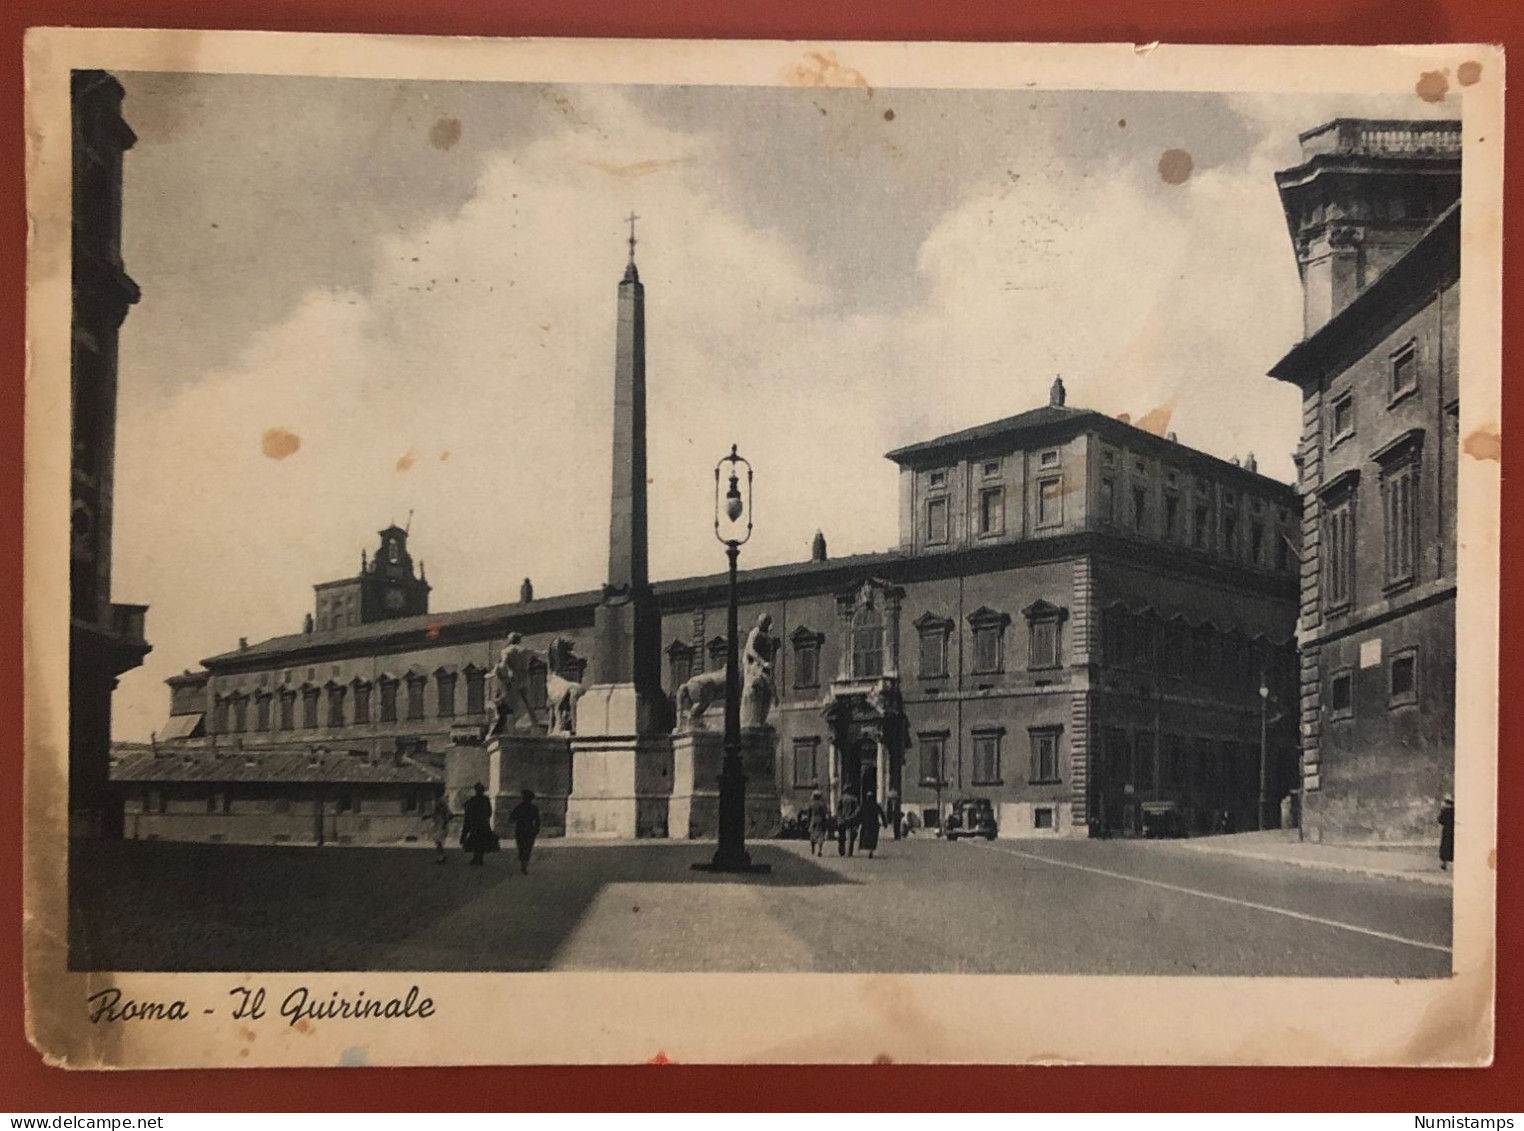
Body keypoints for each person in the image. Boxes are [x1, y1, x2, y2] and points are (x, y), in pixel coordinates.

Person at [460, 782, 496, 866]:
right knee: (481, 841)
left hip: (475, 824)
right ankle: (479, 858)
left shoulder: (473, 800)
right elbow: (489, 812)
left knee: (476, 840)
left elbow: (468, 811)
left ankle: (477, 858)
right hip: (483, 823)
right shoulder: (485, 800)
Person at [508, 789, 542, 875]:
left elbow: (512, 818)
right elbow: (537, 820)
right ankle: (524, 865)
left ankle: (523, 864)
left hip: (520, 830)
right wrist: (537, 829)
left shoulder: (519, 807)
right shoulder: (533, 808)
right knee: (528, 848)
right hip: (530, 830)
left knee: (521, 847)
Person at [859, 792, 885, 859]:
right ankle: (871, 850)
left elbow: (859, 814)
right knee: (873, 838)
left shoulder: (864, 806)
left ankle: (869, 850)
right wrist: (885, 823)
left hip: (866, 824)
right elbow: (882, 814)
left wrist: (857, 823)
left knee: (867, 837)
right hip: (874, 824)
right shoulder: (876, 806)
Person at [805, 790, 831, 857]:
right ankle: (819, 850)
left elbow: (809, 815)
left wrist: (808, 823)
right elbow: (826, 814)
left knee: (812, 835)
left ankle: (813, 847)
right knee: (821, 835)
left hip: (813, 821)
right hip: (821, 821)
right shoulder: (823, 805)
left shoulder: (811, 805)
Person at [836, 791, 860, 857]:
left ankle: (841, 850)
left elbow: (838, 809)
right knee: (850, 836)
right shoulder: (854, 799)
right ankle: (849, 852)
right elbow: (857, 810)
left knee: (842, 836)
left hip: (842, 820)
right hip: (851, 819)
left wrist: (839, 817)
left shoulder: (842, 798)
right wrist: (853, 816)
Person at [430, 797, 454, 864]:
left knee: (438, 842)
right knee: (438, 842)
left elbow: (450, 816)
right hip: (439, 826)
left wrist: (445, 822)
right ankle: (441, 856)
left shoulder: (443, 811)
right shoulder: (440, 812)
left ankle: (441, 857)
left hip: (441, 827)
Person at [1438, 795, 1455, 872]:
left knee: (1445, 846)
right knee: (1451, 846)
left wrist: (1441, 810)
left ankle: (1444, 864)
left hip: (1446, 831)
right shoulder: (1454, 811)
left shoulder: (1445, 811)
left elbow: (1440, 820)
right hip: (1453, 830)